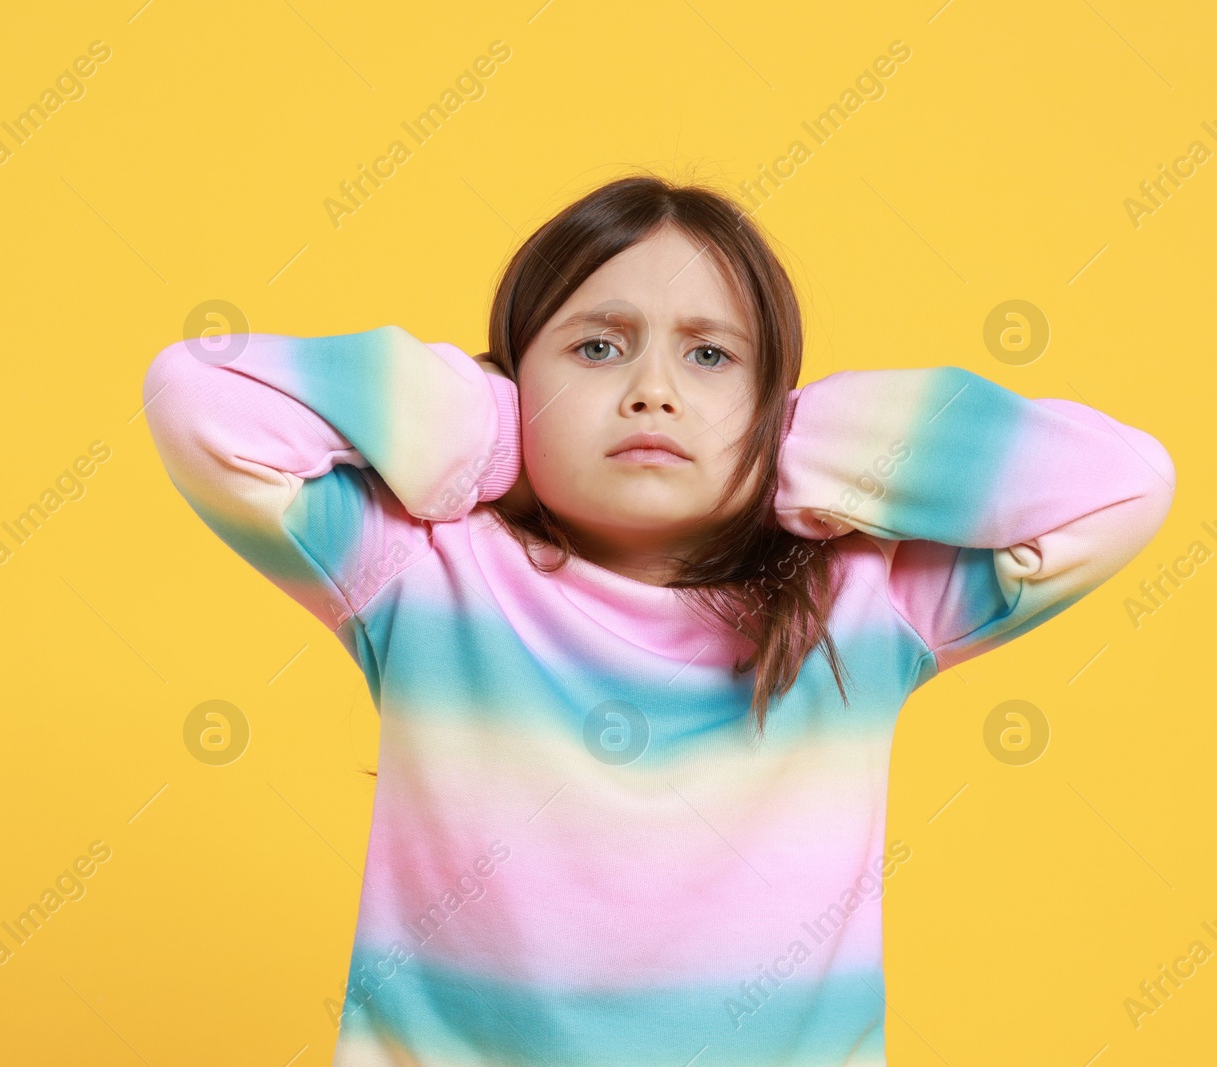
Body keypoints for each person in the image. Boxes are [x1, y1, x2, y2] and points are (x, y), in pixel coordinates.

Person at [141, 175, 1175, 1066]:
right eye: (595, 347)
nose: (651, 392)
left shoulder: (865, 603)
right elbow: (198, 394)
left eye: (711, 357)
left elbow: (1120, 483)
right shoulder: (416, 576)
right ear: (512, 380)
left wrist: (800, 445)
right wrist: (488, 429)